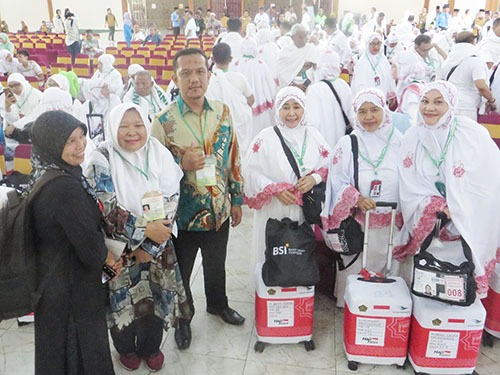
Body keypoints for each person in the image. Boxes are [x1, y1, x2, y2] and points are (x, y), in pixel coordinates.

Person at [151, 48, 245, 350]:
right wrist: (181, 166)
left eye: (200, 72)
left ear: (208, 74)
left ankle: (218, 305)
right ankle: (183, 318)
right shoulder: (163, 121)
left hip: (218, 209)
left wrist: (237, 198)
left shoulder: (223, 112)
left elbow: (233, 157)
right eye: (186, 73)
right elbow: (153, 174)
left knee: (217, 264)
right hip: (183, 215)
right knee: (183, 270)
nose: (194, 79)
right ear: (175, 78)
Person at [86, 103, 191, 372]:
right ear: (112, 127)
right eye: (123, 126)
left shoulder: (158, 152)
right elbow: (105, 208)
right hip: (118, 250)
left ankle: (150, 346)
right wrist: (144, 233)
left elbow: (172, 198)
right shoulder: (101, 158)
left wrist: (153, 244)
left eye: (138, 126)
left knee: (154, 300)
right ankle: (125, 348)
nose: (132, 133)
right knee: (121, 301)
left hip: (157, 248)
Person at [29, 110, 117, 374]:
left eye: (81, 136)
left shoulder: (45, 173)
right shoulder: (64, 189)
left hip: (52, 284)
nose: (80, 146)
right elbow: (92, 252)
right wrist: (111, 262)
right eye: (70, 141)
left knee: (56, 355)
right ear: (52, 144)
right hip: (73, 292)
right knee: (82, 356)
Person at [395, 80, 500, 298]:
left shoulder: (471, 133)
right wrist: (436, 206)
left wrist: (461, 203)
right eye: (424, 101)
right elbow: (408, 183)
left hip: (466, 224)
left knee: (461, 284)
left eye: (438, 102)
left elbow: (488, 177)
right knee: (425, 287)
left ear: (451, 104)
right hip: (430, 226)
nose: (429, 108)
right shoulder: (413, 137)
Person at [321, 88, 404, 306]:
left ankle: (387, 304)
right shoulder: (348, 143)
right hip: (359, 219)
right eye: (362, 112)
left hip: (393, 218)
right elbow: (337, 180)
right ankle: (352, 302)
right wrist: (356, 198)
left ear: (384, 111)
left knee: (390, 258)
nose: (368, 117)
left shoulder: (400, 141)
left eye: (374, 110)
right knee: (359, 259)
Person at [243, 86, 330, 276]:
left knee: (298, 249)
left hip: (303, 207)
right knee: (273, 247)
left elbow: (329, 164)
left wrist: (313, 179)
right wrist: (275, 190)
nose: (291, 113)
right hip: (275, 206)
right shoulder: (266, 138)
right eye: (285, 107)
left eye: (297, 107)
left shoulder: (313, 135)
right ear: (278, 110)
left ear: (304, 109)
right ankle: (269, 290)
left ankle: (297, 286)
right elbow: (250, 172)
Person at [206, 43, 254, 152]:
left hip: (219, 127)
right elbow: (251, 100)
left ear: (212, 59)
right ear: (231, 59)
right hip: (241, 125)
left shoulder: (209, 81)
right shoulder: (239, 78)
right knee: (242, 154)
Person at [438, 31, 496, 121]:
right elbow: (481, 86)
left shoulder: (448, 61)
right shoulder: (475, 60)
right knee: (466, 134)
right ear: (473, 42)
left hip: (448, 104)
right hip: (467, 108)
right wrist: (491, 100)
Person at [306, 50, 355, 148]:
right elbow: (352, 114)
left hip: (323, 142)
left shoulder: (314, 90)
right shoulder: (344, 85)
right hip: (343, 141)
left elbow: (312, 122)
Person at [231, 38, 276, 137]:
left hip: (241, 107)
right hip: (260, 107)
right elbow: (271, 86)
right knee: (261, 135)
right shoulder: (260, 64)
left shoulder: (235, 64)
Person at [351, 33, 396, 105]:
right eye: (372, 43)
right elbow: (358, 84)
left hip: (382, 95)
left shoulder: (383, 59)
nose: (376, 46)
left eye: (378, 43)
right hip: (367, 99)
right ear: (368, 44)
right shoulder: (362, 62)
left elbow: (389, 77)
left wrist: (391, 94)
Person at [75, 77, 121, 146]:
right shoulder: (87, 106)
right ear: (96, 90)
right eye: (105, 88)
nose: (108, 90)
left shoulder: (114, 101)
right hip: (90, 143)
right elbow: (83, 126)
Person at [277, 24, 320, 90]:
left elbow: (317, 69)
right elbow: (281, 74)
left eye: (305, 36)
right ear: (292, 38)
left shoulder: (311, 48)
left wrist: (307, 83)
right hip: (291, 85)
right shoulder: (285, 52)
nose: (303, 39)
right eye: (300, 37)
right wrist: (295, 85)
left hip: (309, 83)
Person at [2, 73, 42, 139]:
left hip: (33, 131)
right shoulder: (11, 97)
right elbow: (12, 120)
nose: (14, 88)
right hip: (17, 132)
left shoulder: (37, 96)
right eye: (11, 86)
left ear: (23, 83)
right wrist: (7, 108)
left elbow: (35, 116)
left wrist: (15, 125)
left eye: (17, 84)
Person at [392, 51, 426, 126]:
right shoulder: (405, 86)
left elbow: (414, 121)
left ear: (404, 68)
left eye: (394, 67)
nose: (391, 69)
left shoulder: (411, 92)